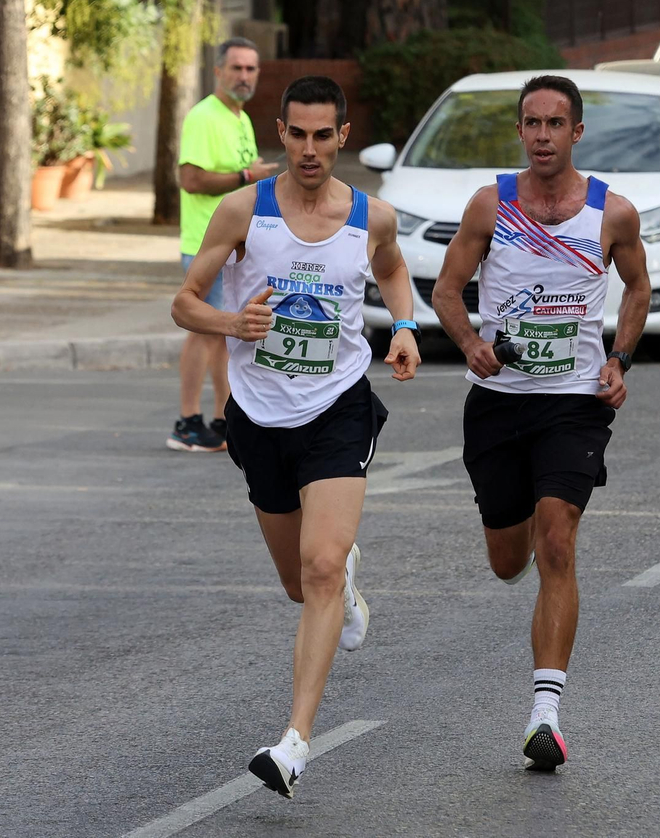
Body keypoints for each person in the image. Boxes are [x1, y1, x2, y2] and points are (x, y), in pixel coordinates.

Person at [171, 75, 421, 798]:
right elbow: (184, 302)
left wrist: (404, 326)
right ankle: (342, 582)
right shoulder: (243, 211)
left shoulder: (371, 218)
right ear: (280, 133)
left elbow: (392, 267)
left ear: (343, 137)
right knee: (298, 584)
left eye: (323, 136)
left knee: (319, 567)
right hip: (258, 416)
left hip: (337, 409)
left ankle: (294, 743)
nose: (310, 150)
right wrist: (232, 322)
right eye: (298, 135)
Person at [431, 74, 649, 771]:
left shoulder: (612, 213)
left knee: (558, 540)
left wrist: (619, 358)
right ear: (520, 130)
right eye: (532, 123)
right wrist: (471, 343)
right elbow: (446, 290)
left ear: (577, 132)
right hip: (498, 403)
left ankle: (545, 715)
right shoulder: (491, 204)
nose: (543, 136)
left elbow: (638, 287)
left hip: (573, 404)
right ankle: (521, 508)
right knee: (507, 562)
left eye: (556, 124)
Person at [170, 37, 279, 452]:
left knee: (223, 335)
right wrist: (247, 177)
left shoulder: (241, 118)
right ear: (218, 71)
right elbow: (191, 179)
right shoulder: (205, 116)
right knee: (204, 331)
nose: (244, 76)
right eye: (236, 68)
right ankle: (187, 422)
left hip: (236, 247)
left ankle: (222, 419)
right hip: (206, 243)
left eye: (251, 69)